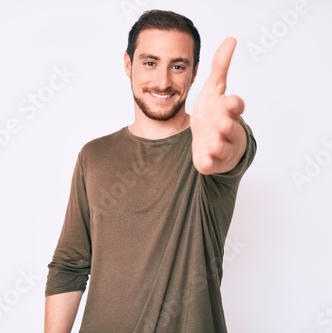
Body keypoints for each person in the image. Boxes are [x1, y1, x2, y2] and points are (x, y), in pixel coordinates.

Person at [44, 9, 256, 333]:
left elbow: (231, 152)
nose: (163, 81)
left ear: (195, 72)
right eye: (150, 62)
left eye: (178, 66)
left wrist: (224, 142)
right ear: (128, 64)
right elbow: (69, 266)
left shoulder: (209, 142)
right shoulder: (94, 156)